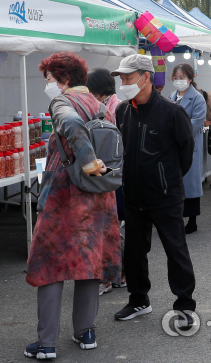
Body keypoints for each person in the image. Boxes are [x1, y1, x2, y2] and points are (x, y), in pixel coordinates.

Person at [25, 52, 121, 359]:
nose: (48, 86)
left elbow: (71, 125)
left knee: (51, 266)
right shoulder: (99, 104)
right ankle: (86, 332)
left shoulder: (62, 103)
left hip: (64, 198)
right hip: (98, 195)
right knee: (88, 262)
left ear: (63, 79)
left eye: (50, 79)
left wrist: (89, 160)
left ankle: (46, 344)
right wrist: (96, 167)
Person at [112, 54, 196, 329]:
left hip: (165, 195)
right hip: (134, 195)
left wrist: (165, 179)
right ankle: (139, 299)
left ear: (145, 77)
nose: (123, 83)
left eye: (127, 78)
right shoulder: (123, 111)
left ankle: (184, 306)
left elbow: (186, 154)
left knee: (176, 251)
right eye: (121, 78)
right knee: (134, 252)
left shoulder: (172, 111)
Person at [86, 67, 126, 294]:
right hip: (111, 172)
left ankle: (110, 275)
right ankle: (118, 273)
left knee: (107, 227)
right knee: (111, 227)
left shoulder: (113, 108)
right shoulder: (112, 105)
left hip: (109, 173)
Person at [168, 64, 206, 234]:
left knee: (190, 185)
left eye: (182, 78)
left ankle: (192, 221)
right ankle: (175, 219)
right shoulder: (171, 96)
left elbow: (196, 123)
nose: (178, 81)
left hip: (190, 146)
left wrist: (175, 129)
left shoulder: (198, 98)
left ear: (190, 78)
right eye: (176, 78)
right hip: (172, 147)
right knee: (175, 184)